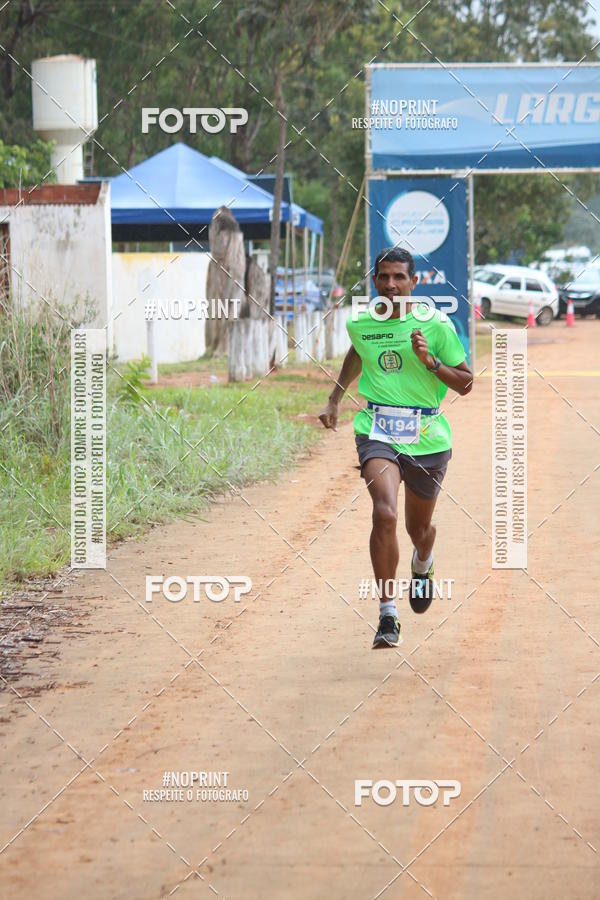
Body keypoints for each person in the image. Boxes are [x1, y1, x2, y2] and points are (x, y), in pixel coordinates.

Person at [319, 247, 473, 648]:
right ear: (373, 281)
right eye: (383, 277)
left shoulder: (437, 325)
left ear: (414, 282)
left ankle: (423, 560)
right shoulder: (361, 322)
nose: (391, 285)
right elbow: (360, 353)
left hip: (427, 434)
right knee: (384, 513)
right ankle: (388, 615)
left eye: (399, 277)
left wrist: (430, 362)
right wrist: (335, 398)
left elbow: (466, 382)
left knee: (417, 528)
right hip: (377, 429)